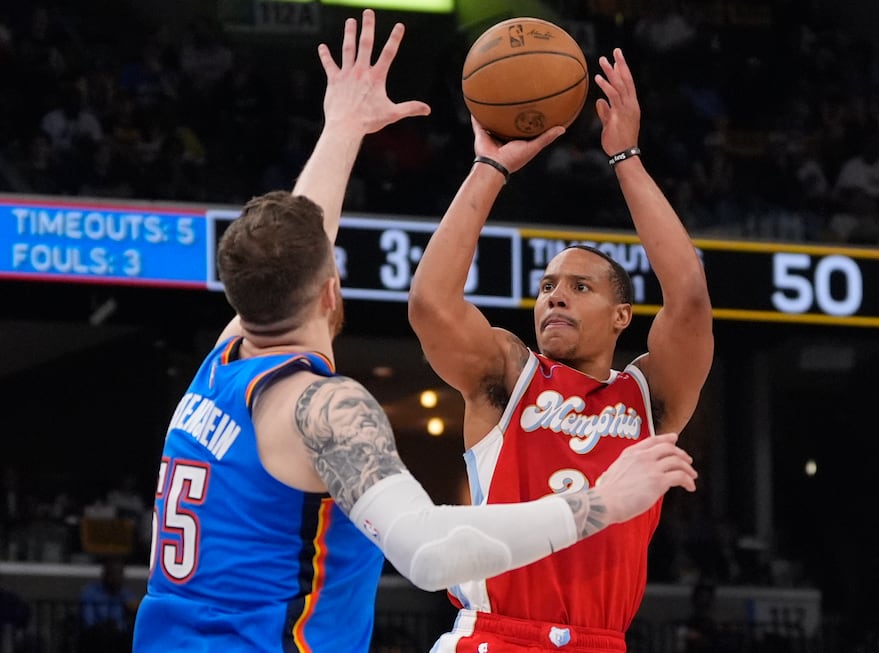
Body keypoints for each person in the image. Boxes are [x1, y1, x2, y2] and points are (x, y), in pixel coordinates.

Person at [132, 12, 699, 653]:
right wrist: (603, 502)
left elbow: (295, 242)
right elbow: (428, 554)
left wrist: (343, 127)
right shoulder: (326, 408)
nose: (557, 297)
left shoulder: (222, 365)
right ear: (329, 289)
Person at [409, 46, 714, 651]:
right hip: (497, 636)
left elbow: (690, 300)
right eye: (547, 287)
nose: (555, 298)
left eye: (579, 288)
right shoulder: (509, 373)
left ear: (622, 315)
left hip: (603, 640)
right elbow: (430, 305)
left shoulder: (648, 395)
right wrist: (488, 168)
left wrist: (626, 158)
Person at [79, 557, 139, 653]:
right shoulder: (91, 593)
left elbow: (133, 619)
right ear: (105, 575)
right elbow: (88, 621)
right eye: (113, 574)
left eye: (119, 574)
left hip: (119, 638)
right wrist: (104, 627)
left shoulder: (127, 595)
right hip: (96, 637)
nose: (116, 578)